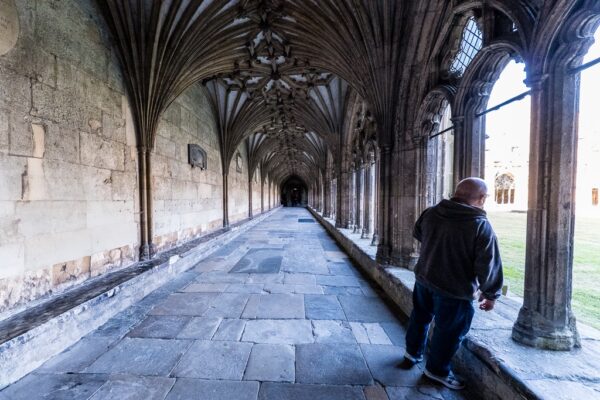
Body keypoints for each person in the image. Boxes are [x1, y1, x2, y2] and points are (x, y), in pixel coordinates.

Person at [399, 177, 503, 390]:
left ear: (456, 193)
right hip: (454, 289)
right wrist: (491, 294)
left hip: (424, 279)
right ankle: (436, 371)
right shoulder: (479, 225)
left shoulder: (431, 213)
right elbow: (487, 263)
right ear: (481, 198)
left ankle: (412, 353)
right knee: (449, 332)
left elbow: (418, 233)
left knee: (419, 317)